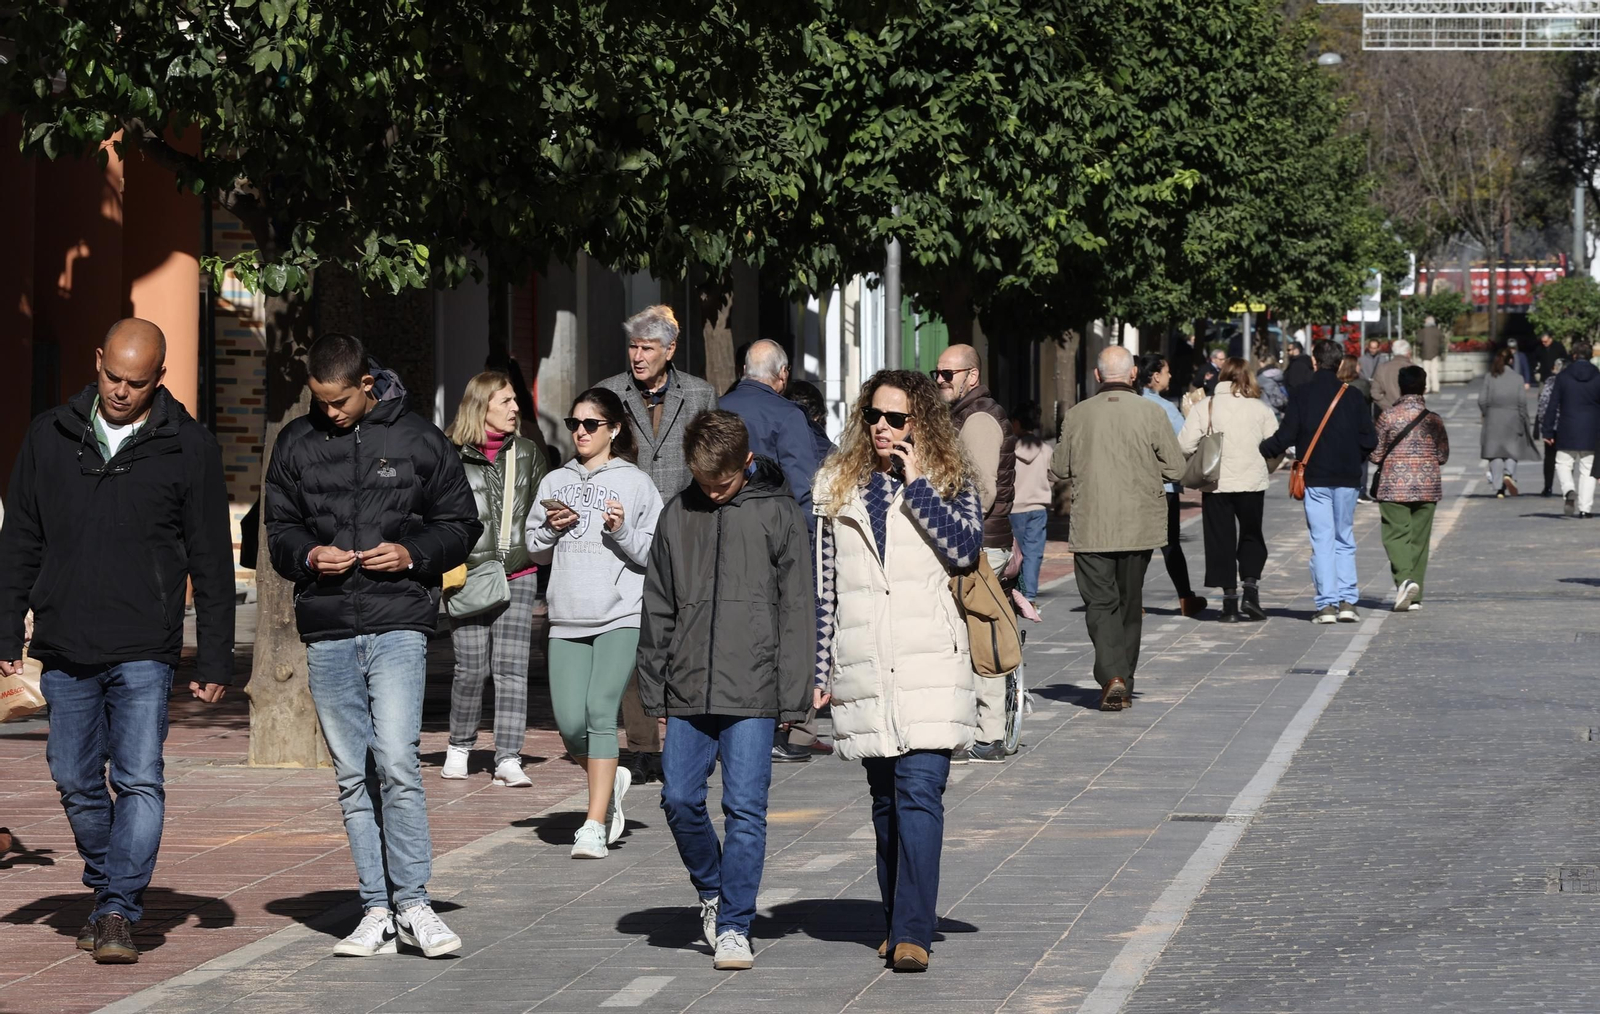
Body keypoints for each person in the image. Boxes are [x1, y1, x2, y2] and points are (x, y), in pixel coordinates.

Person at [0, 319, 234, 964]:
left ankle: (115, 909)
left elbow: (212, 559)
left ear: (160, 377)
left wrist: (215, 655)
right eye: (112, 376)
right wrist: (6, 627)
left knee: (137, 779)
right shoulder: (50, 435)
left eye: (136, 382)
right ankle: (112, 884)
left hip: (144, 644)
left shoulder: (189, 445)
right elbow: (19, 540)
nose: (121, 391)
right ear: (98, 359)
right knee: (74, 778)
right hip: (64, 639)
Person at [265, 332, 481, 958]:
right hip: (328, 625)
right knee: (352, 774)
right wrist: (309, 556)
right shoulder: (295, 443)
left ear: (366, 385)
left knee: (397, 762)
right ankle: (376, 910)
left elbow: (461, 524)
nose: (329, 412)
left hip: (399, 623)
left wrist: (413, 554)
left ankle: (414, 903)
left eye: (339, 401)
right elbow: (278, 531)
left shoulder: (418, 438)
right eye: (319, 401)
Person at [812, 370, 982, 971]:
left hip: (930, 659)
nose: (882, 428)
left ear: (922, 423)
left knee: (920, 794)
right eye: (874, 416)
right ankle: (896, 919)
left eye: (896, 418)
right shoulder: (836, 485)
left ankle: (913, 932)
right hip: (865, 663)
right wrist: (820, 666)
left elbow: (964, 551)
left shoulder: (951, 481)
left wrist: (918, 487)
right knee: (885, 802)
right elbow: (825, 586)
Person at [638, 410, 812, 971]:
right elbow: (658, 605)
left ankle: (736, 925)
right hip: (688, 684)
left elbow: (798, 609)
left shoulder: (779, 513)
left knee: (744, 808)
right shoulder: (677, 513)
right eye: (703, 481)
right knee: (678, 798)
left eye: (724, 482)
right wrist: (653, 686)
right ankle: (714, 890)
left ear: (748, 463)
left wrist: (794, 694)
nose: (713, 492)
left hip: (755, 686)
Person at [528, 388, 663, 858]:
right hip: (566, 615)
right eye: (574, 424)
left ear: (615, 429)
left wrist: (621, 529)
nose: (580, 432)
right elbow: (534, 549)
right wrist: (552, 528)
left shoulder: (636, 483)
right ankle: (612, 778)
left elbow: (654, 554)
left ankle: (593, 823)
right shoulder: (555, 480)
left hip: (619, 614)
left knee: (600, 712)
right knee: (570, 725)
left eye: (591, 424)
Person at [596, 305, 718, 784]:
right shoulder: (610, 393)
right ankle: (643, 746)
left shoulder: (700, 393)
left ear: (670, 350)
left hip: (686, 528)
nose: (638, 356)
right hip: (625, 530)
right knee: (634, 641)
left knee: (687, 637)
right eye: (633, 346)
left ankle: (692, 738)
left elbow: (711, 455)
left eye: (648, 347)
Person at [1051, 346, 1183, 710]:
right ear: (1133, 374)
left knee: (1100, 602)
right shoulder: (1152, 412)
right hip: (1139, 524)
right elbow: (1176, 468)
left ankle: (1113, 676)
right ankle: (1123, 678)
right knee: (1129, 602)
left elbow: (1059, 468)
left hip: (1092, 525)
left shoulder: (1078, 414)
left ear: (1097, 375)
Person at [441, 372, 549, 787]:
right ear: (481, 405)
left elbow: (539, 510)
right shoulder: (449, 453)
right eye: (505, 401)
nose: (515, 408)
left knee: (511, 669)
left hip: (518, 574)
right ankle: (459, 746)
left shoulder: (527, 452)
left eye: (514, 400)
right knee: (470, 668)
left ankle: (508, 756)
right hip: (468, 575)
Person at [933, 344, 1014, 764]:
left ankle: (990, 733)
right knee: (969, 633)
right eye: (937, 373)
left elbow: (980, 493)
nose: (941, 380)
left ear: (972, 376)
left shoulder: (979, 418)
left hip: (978, 544)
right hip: (977, 542)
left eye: (949, 374)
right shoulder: (961, 415)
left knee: (980, 634)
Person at [1260, 339, 1377, 624]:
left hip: (1315, 477)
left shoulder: (1302, 394)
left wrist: (1263, 449)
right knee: (1344, 538)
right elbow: (1370, 439)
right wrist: (1353, 456)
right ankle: (1348, 601)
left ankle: (1327, 605)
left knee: (1322, 540)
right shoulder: (1353, 395)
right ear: (1340, 363)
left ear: (1314, 361)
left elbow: (1287, 435)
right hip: (1347, 477)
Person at [1179, 358, 1279, 623]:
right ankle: (1251, 590)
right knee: (1251, 535)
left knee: (1219, 540)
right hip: (1252, 482)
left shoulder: (1205, 406)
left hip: (1216, 483)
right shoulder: (1260, 408)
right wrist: (1265, 465)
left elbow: (1184, 445)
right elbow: (1275, 444)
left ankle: (1230, 603)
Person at [717, 339, 822, 531]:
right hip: (771, 530)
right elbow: (802, 487)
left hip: (719, 524)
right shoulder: (789, 416)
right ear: (783, 372)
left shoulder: (714, 407)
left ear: (745, 369)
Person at [1371, 366, 1449, 612]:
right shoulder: (1434, 419)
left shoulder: (1388, 417)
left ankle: (1405, 580)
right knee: (1419, 540)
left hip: (1394, 486)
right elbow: (1442, 455)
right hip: (1427, 487)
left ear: (1400, 386)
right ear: (1424, 387)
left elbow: (1375, 454)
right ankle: (1415, 596)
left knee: (1396, 535)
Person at [1137, 353, 1205, 618]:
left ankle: (1132, 599)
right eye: (1166, 372)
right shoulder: (1164, 408)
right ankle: (1186, 597)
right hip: (1163, 485)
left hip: (1135, 484)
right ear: (1155, 376)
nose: (1170, 376)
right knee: (1170, 544)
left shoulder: (1133, 403)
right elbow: (1185, 441)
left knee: (1140, 544)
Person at [1543, 339, 1600, 518]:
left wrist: (1547, 430)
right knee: (1588, 469)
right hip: (1591, 429)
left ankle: (1568, 489)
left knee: (1563, 463)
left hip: (1567, 427)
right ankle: (1585, 509)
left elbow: (1552, 405)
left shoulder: (1563, 376)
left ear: (1574, 356)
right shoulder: (1598, 376)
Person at [1008, 400, 1053, 608]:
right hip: (1038, 508)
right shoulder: (1045, 449)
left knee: (1015, 554)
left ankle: (1015, 593)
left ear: (1016, 422)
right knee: (1033, 553)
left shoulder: (1009, 450)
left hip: (1015, 508)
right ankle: (1030, 596)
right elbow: (1054, 475)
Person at [1479, 347, 1531, 498]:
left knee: (1495, 453)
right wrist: (1523, 418)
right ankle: (1509, 474)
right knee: (1512, 450)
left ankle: (1498, 488)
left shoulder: (1490, 377)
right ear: (1511, 360)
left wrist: (1487, 412)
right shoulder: (1518, 378)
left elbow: (1482, 400)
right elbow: (1522, 402)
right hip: (1513, 417)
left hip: (1493, 418)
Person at [1338, 356, 1376, 504]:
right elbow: (1369, 400)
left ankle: (1344, 488)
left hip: (1340, 427)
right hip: (1359, 427)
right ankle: (1360, 491)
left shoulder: (1337, 385)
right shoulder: (1362, 384)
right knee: (1362, 460)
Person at [785, 378, 836, 464]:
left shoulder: (771, 443)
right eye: (823, 417)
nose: (825, 422)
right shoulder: (827, 452)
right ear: (816, 416)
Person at [1536, 358, 1567, 496]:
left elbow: (1543, 404)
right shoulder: (1572, 382)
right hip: (1568, 425)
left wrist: (1543, 424)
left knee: (1549, 456)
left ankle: (1548, 487)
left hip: (1553, 424)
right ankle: (1567, 486)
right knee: (1568, 457)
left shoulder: (1550, 382)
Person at [1370, 338, 1414, 413]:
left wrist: (1387, 406)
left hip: (1388, 412)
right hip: (1409, 412)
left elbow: (1375, 393)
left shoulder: (1382, 368)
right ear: (1408, 353)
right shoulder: (1414, 368)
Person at [1416, 315, 1445, 393]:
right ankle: (1435, 388)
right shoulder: (1438, 331)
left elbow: (1419, 341)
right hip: (1435, 354)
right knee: (1434, 371)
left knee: (1426, 371)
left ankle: (1427, 388)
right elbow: (1442, 342)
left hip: (1425, 354)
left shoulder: (1423, 331)